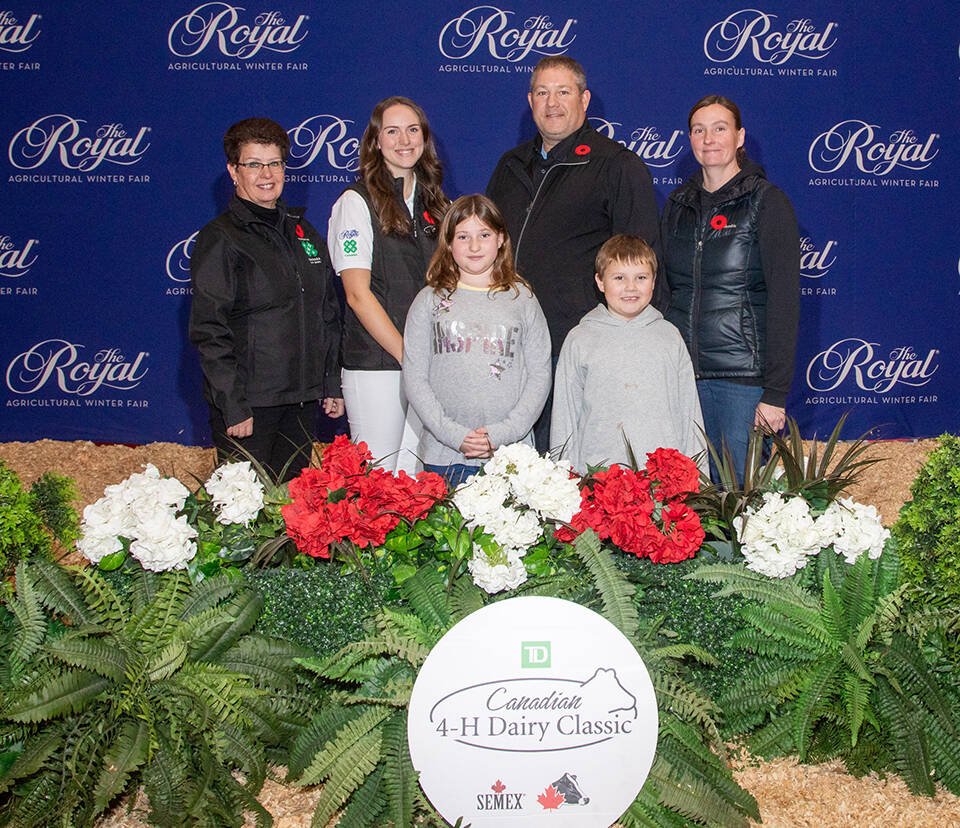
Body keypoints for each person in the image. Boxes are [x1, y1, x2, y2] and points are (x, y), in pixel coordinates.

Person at [486, 56, 660, 452]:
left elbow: (642, 262)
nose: (552, 103)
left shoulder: (617, 165)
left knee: (569, 459)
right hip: (507, 343)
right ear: (530, 101)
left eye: (563, 92)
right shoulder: (508, 165)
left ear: (584, 99)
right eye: (543, 93)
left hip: (577, 344)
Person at [189, 117, 343, 482]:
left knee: (291, 513)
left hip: (302, 401)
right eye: (253, 164)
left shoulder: (303, 231)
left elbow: (327, 312)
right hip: (251, 407)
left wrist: (330, 382)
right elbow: (210, 330)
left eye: (274, 163)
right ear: (233, 171)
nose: (266, 174)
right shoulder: (221, 238)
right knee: (247, 519)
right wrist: (233, 404)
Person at [661, 95, 800, 483]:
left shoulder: (767, 202)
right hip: (682, 375)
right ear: (689, 139)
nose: (709, 139)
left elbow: (785, 302)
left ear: (740, 137)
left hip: (741, 382)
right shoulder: (677, 205)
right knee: (686, 502)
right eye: (699, 130)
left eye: (720, 128)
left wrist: (774, 393)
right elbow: (665, 290)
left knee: (741, 502)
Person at [327, 96, 449, 474]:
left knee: (415, 479)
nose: (404, 140)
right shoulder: (356, 202)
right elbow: (357, 294)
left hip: (428, 365)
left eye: (413, 130)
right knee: (377, 477)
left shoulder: (437, 204)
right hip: (377, 365)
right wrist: (407, 355)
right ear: (376, 142)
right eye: (392, 131)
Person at [402, 194, 551, 486]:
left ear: (500, 239)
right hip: (443, 455)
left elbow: (540, 375)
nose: (473, 246)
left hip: (510, 455)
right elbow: (415, 377)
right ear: (447, 243)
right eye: (463, 236)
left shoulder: (523, 300)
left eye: (483, 235)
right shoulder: (428, 301)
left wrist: (504, 433)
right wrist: (453, 435)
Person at [551, 235, 706, 475]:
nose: (631, 287)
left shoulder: (669, 337)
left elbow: (689, 412)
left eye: (641, 277)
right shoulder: (579, 339)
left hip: (661, 480)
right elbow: (565, 417)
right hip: (599, 478)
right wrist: (563, 479)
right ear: (600, 282)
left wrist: (698, 478)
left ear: (654, 282)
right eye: (619, 278)